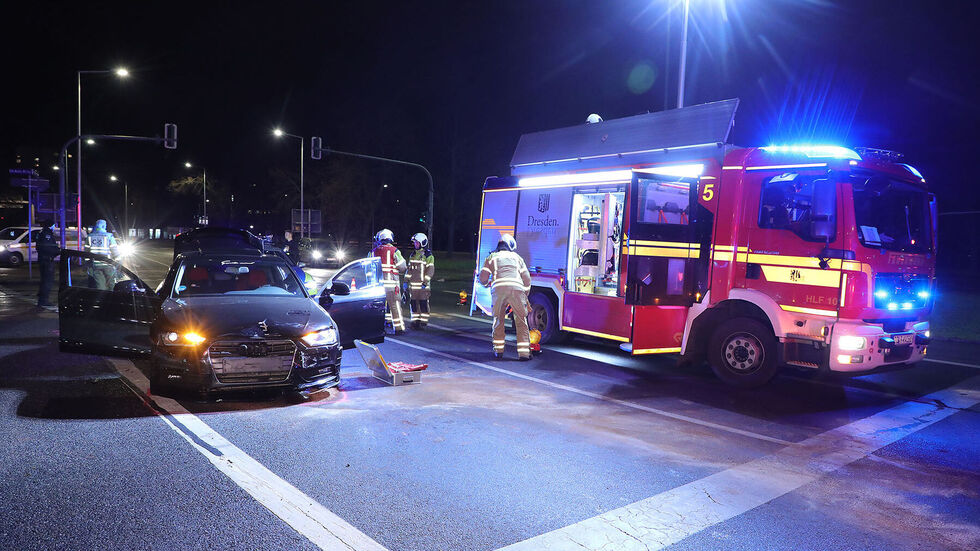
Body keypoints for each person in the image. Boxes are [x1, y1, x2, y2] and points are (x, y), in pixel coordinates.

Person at [479, 234, 532, 360]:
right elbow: (527, 278)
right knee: (521, 321)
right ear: (510, 245)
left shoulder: (491, 257)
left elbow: (483, 278)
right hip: (517, 290)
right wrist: (525, 294)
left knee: (498, 320)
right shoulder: (517, 257)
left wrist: (487, 284)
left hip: (498, 291)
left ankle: (499, 350)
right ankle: (524, 353)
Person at [371, 228, 407, 334]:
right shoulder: (395, 251)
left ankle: (380, 328)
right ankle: (399, 328)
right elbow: (402, 267)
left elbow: (368, 268)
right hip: (392, 284)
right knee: (395, 306)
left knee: (380, 307)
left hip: (378, 286)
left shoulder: (374, 251)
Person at [406, 233, 435, 329]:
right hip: (413, 286)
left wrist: (425, 282)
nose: (415, 244)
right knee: (413, 304)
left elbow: (430, 270)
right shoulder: (413, 255)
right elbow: (409, 270)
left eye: (417, 243)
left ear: (423, 243)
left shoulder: (428, 255)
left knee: (423, 304)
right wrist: (406, 281)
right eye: (415, 243)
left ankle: (423, 322)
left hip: (423, 286)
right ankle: (415, 321)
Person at [85, 219, 118, 290]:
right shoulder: (109, 236)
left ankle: (103, 299)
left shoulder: (89, 236)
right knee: (112, 286)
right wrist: (118, 263)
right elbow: (115, 251)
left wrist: (89, 264)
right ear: (104, 226)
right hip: (108, 264)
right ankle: (111, 299)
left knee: (100, 287)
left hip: (96, 265)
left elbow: (86, 253)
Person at [36, 220, 60, 310]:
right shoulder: (47, 234)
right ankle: (43, 300)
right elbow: (48, 248)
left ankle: (42, 299)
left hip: (43, 260)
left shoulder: (42, 232)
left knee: (44, 280)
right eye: (54, 225)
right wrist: (58, 251)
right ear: (51, 225)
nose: (54, 227)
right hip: (47, 260)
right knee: (47, 280)